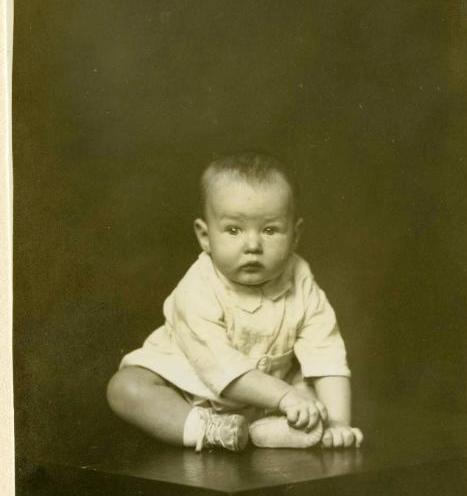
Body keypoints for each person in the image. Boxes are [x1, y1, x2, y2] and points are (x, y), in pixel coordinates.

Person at [107, 152, 363, 452]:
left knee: (314, 391)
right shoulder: (198, 286)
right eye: (233, 230)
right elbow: (218, 366)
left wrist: (338, 424)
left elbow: (326, 353)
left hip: (271, 397)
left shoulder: (301, 280)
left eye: (269, 230)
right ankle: (208, 429)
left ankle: (271, 431)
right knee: (126, 387)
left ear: (295, 236)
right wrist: (285, 397)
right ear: (205, 236)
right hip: (192, 391)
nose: (252, 245)